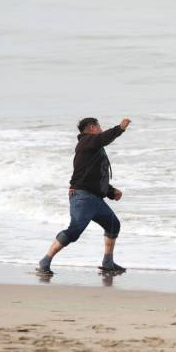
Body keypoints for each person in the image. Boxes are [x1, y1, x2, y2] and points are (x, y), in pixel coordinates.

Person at [36, 116, 131, 276]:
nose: (101, 129)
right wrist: (120, 128)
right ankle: (45, 261)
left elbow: (94, 176)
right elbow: (104, 138)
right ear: (92, 128)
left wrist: (110, 191)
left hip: (94, 199)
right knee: (75, 231)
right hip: (83, 198)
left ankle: (108, 263)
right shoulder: (86, 141)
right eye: (99, 126)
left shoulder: (93, 147)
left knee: (113, 224)